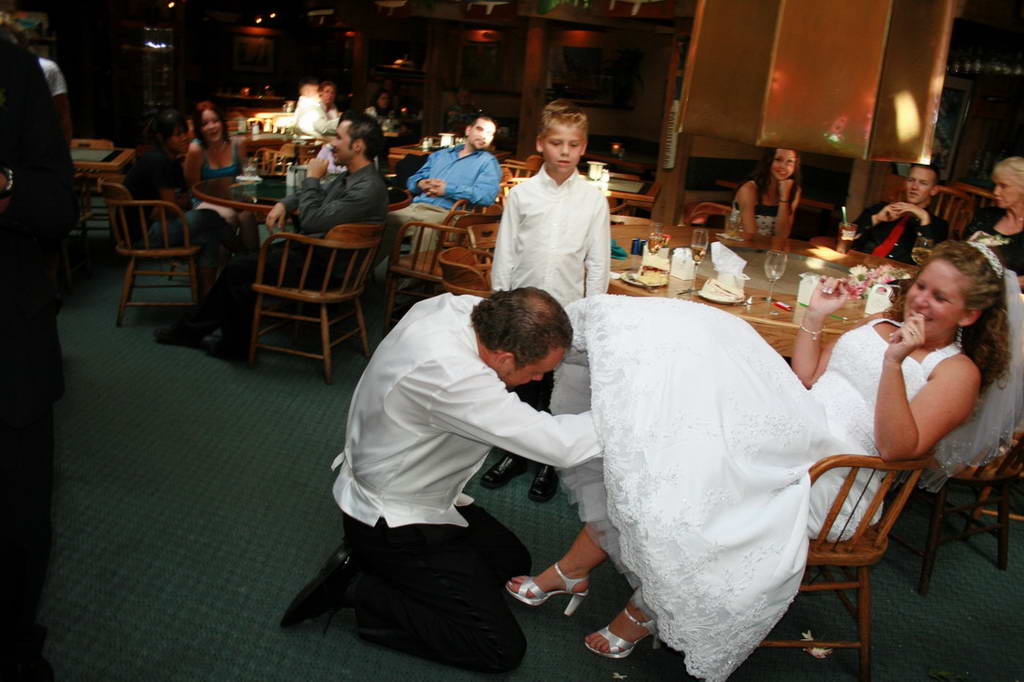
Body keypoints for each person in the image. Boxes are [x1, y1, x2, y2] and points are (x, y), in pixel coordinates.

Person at [506, 241, 1017, 680]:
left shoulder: (957, 373)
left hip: (839, 477)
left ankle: (642, 611)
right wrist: (815, 318)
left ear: (969, 315)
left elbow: (898, 448)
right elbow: (810, 379)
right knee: (671, 444)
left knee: (699, 479)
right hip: (796, 431)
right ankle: (573, 570)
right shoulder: (881, 323)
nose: (921, 300)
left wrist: (893, 364)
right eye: (922, 286)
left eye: (940, 297)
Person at [278, 288, 602, 673]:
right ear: (504, 358)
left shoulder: (459, 308)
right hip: (392, 519)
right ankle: (357, 588)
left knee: (511, 561)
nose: (539, 378)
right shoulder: (451, 377)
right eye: (537, 371)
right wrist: (637, 419)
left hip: (419, 489)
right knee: (498, 649)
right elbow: (559, 446)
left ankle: (393, 571)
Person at [154, 113, 389, 359]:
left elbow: (310, 221)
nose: (332, 143)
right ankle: (214, 337)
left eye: (338, 137)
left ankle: (214, 340)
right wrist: (284, 203)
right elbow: (315, 194)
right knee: (242, 269)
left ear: (358, 146)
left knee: (239, 269)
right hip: (318, 253)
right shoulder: (351, 176)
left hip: (328, 268)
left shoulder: (367, 188)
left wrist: (311, 177)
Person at [483, 100, 610, 503]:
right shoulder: (521, 195)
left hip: (566, 312)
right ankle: (515, 454)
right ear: (541, 144)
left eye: (573, 145)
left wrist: (593, 314)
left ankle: (547, 463)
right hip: (521, 311)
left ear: (583, 147)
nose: (564, 152)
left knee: (555, 390)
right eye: (557, 143)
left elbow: (598, 263)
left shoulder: (593, 200)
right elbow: (505, 252)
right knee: (519, 389)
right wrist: (500, 304)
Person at [0, 40, 78, 681]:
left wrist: (2, 184)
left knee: (19, 526)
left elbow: (58, 206)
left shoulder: (16, 70)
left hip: (9, 346)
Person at [124, 108, 232, 294]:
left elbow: (183, 200)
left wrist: (178, 201)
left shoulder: (171, 159)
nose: (184, 138)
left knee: (210, 235)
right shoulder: (158, 161)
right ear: (161, 137)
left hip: (155, 222)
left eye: (184, 132)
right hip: (143, 233)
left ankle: (208, 295)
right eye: (177, 135)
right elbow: (171, 208)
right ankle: (246, 253)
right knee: (210, 217)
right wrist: (177, 202)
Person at [381, 115, 500, 262]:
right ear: (468, 130)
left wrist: (448, 189)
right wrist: (420, 183)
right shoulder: (441, 155)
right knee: (383, 219)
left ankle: (414, 275)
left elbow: (487, 196)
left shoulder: (488, 162)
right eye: (480, 129)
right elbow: (413, 179)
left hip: (449, 214)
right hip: (417, 206)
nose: (484, 136)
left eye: (490, 133)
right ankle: (362, 271)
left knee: (425, 228)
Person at [184, 101, 259, 253]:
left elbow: (245, 177)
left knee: (247, 215)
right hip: (203, 200)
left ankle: (253, 261)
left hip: (232, 198)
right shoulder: (196, 149)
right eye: (205, 124)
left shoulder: (237, 144)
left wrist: (243, 196)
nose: (211, 127)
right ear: (199, 128)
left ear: (222, 123)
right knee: (228, 216)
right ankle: (228, 261)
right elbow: (193, 187)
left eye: (215, 121)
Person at [851, 163, 949, 263]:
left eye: (923, 183)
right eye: (911, 180)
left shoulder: (939, 226)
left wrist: (924, 218)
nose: (914, 187)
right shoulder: (881, 208)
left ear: (934, 190)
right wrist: (876, 218)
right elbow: (847, 238)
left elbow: (930, 263)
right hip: (860, 265)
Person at [964, 156, 1024, 287]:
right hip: (974, 289)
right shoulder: (984, 217)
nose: (996, 192)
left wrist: (1004, 285)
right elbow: (962, 257)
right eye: (995, 185)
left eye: (1003, 186)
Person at [730, 147, 802, 238]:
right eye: (778, 160)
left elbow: (782, 235)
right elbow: (750, 234)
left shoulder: (794, 191)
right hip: (741, 244)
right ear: (768, 161)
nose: (783, 166)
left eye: (790, 161)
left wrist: (784, 197)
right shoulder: (748, 189)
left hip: (769, 245)